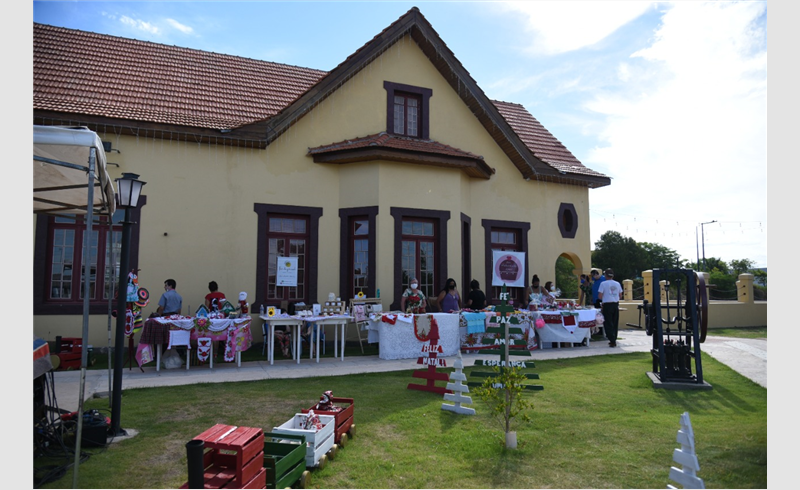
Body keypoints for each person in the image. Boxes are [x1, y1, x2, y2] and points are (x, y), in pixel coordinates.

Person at [597, 268, 622, 347]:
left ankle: (612, 339)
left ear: (605, 275)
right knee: (614, 322)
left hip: (607, 305)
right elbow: (620, 295)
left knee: (608, 322)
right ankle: (614, 337)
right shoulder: (617, 283)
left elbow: (600, 296)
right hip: (615, 304)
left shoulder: (603, 284)